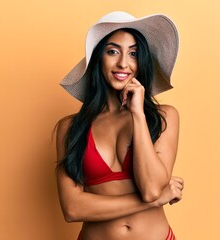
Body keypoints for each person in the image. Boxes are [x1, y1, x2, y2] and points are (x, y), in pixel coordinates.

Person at [55, 11, 184, 240]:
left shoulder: (163, 118)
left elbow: (152, 188)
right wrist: (154, 201)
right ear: (98, 58)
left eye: (133, 53)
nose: (123, 63)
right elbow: (73, 209)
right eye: (113, 51)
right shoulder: (70, 128)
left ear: (141, 61)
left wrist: (138, 114)